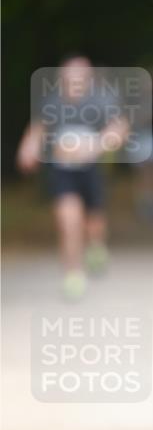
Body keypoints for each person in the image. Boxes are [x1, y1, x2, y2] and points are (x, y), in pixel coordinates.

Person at [16, 55, 129, 300]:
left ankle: (96, 247)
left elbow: (119, 127)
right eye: (70, 76)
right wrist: (28, 148)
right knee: (69, 220)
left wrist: (97, 145)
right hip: (62, 171)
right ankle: (73, 274)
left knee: (94, 222)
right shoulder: (53, 101)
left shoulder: (100, 100)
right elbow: (38, 128)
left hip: (91, 169)